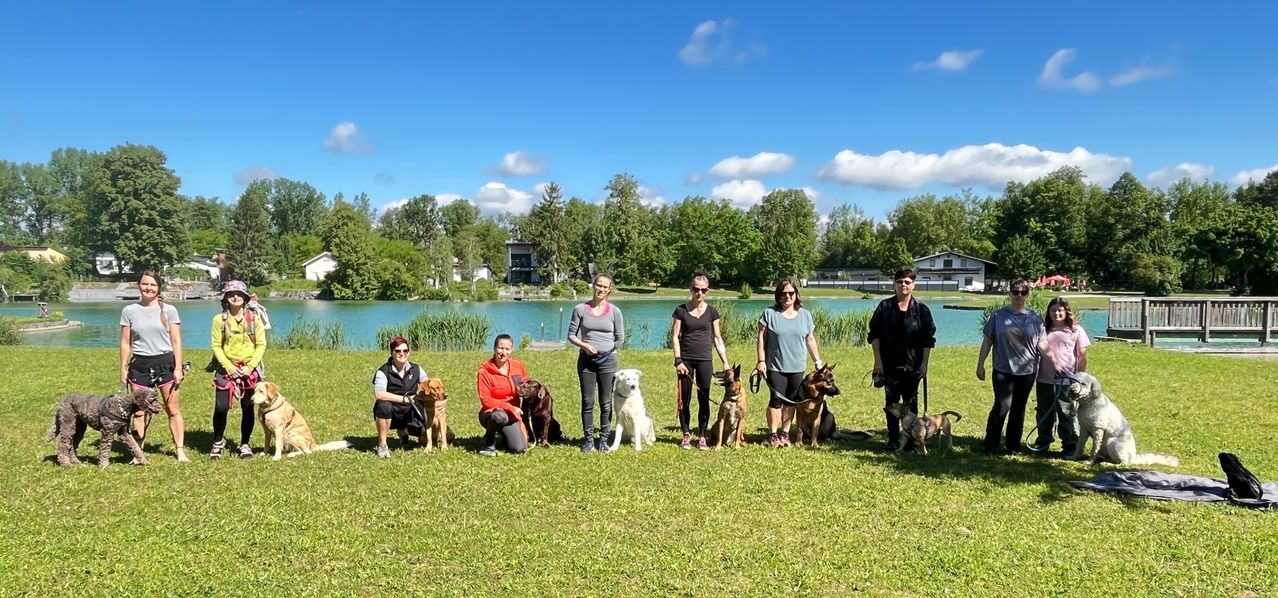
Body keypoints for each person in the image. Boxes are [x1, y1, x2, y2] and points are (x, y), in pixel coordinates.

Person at [118, 270, 189, 463]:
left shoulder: (169, 310)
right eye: (144, 284)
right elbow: (126, 342)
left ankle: (180, 451)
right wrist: (123, 368)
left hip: (165, 363)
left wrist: (178, 367)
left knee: (172, 409)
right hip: (140, 364)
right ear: (139, 285)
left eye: (153, 285)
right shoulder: (129, 311)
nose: (148, 288)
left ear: (159, 288)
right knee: (139, 411)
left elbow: (176, 340)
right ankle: (138, 452)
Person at [867, 268, 936, 452]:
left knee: (911, 405)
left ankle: (911, 441)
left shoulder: (922, 310)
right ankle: (893, 439)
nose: (903, 285)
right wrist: (878, 361)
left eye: (907, 282)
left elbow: (928, 339)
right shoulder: (884, 307)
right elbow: (874, 335)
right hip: (889, 366)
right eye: (899, 281)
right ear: (894, 284)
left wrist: (924, 364)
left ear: (913, 285)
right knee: (891, 404)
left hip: (913, 367)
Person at [976, 278, 1045, 456]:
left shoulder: (1035, 318)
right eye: (1015, 291)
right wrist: (980, 365)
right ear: (1009, 293)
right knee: (1002, 405)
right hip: (1002, 369)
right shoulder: (998, 316)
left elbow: (1042, 344)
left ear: (1028, 294)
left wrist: (1055, 363)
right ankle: (990, 445)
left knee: (1018, 408)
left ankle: (1013, 446)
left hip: (1028, 371)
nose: (1019, 295)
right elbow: (987, 341)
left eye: (1023, 292)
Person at [756, 277, 824, 448]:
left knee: (791, 401)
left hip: (797, 366)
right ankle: (773, 434)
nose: (787, 296)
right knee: (776, 400)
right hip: (775, 366)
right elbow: (761, 339)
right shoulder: (769, 314)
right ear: (778, 296)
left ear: (796, 294)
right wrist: (761, 360)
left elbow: (810, 340)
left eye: (791, 293)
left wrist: (817, 361)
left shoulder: (805, 315)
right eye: (783, 293)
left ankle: (785, 433)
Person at [671, 272, 730, 450]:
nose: (699, 293)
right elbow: (675, 337)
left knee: (704, 398)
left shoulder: (712, 312)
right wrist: (678, 360)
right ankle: (686, 434)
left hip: (705, 359)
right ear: (691, 289)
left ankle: (702, 435)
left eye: (703, 290)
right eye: (696, 289)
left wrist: (725, 362)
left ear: (707, 291)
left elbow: (717, 338)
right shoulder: (681, 310)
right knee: (684, 400)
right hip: (686, 360)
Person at [209, 280, 267, 460]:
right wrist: (229, 367)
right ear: (226, 297)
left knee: (248, 408)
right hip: (226, 369)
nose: (235, 297)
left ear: (245, 298)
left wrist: (249, 368)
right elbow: (216, 345)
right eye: (231, 294)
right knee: (221, 407)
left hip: (249, 371)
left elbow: (261, 344)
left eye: (239, 294)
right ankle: (218, 441)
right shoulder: (219, 320)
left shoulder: (254, 319)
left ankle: (245, 444)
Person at [567, 273, 624, 453]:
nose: (600, 289)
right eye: (598, 285)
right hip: (586, 362)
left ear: (609, 290)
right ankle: (588, 440)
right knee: (587, 401)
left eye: (604, 287)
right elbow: (571, 335)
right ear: (593, 286)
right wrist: (585, 346)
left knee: (605, 401)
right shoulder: (580, 309)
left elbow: (619, 337)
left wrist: (608, 351)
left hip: (608, 361)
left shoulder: (615, 312)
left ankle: (604, 440)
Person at [1030, 297, 1090, 457]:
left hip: (1067, 380)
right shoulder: (1044, 330)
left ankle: (1070, 444)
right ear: (1049, 312)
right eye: (1053, 310)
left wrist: (1080, 378)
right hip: (1044, 379)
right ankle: (1043, 441)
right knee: (1044, 412)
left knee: (1066, 412)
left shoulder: (1076, 330)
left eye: (1060, 310)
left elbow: (1082, 355)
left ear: (1066, 311)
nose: (1056, 313)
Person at [371, 336, 427, 458]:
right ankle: (383, 445)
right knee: (383, 405)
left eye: (405, 351)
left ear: (409, 352)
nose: (402, 354)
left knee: (423, 430)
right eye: (398, 351)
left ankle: (404, 431)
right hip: (392, 412)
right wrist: (404, 399)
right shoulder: (383, 371)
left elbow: (427, 386)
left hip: (410, 411)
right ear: (392, 352)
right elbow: (379, 394)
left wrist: (437, 399)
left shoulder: (416, 369)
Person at [476, 333, 530, 456]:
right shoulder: (484, 371)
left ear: (511, 350)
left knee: (520, 448)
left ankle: (504, 435)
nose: (503, 352)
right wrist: (510, 407)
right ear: (494, 348)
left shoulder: (517, 366)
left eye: (507, 349)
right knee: (500, 416)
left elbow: (525, 387)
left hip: (512, 414)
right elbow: (486, 401)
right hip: (491, 413)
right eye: (500, 348)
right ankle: (489, 441)